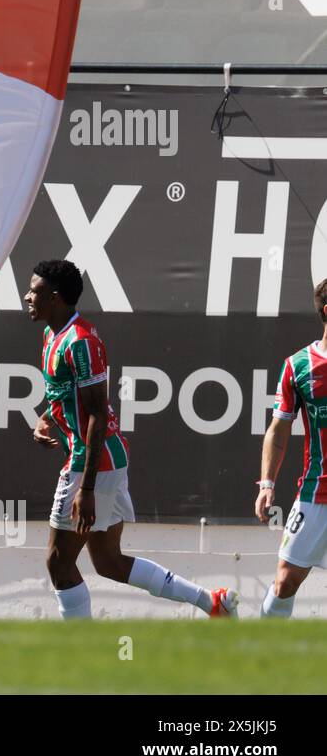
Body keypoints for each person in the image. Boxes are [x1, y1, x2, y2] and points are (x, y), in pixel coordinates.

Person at [27, 258, 237, 619]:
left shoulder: (81, 343)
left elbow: (96, 413)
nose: (27, 297)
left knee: (59, 563)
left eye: (35, 291)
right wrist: (46, 418)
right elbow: (65, 392)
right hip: (98, 458)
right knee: (108, 561)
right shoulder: (52, 334)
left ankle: (79, 657)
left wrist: (87, 489)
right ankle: (212, 602)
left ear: (56, 298)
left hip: (92, 461)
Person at [255, 277, 327, 617]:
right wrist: (267, 484)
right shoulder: (298, 366)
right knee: (284, 581)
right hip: (316, 494)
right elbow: (279, 430)